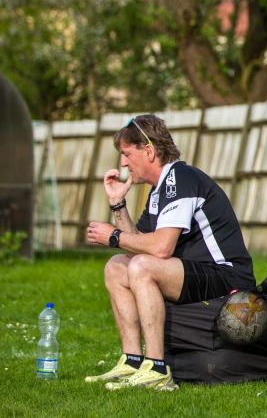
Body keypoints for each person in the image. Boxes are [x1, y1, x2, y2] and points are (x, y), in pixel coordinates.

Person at [84, 114, 256, 391]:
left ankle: (158, 369)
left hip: (228, 277)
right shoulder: (159, 190)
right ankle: (132, 361)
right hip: (196, 273)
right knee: (117, 266)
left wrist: (113, 236)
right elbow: (137, 243)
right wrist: (117, 204)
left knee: (141, 266)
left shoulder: (181, 178)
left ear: (149, 151)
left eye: (127, 154)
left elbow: (161, 248)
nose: (123, 163)